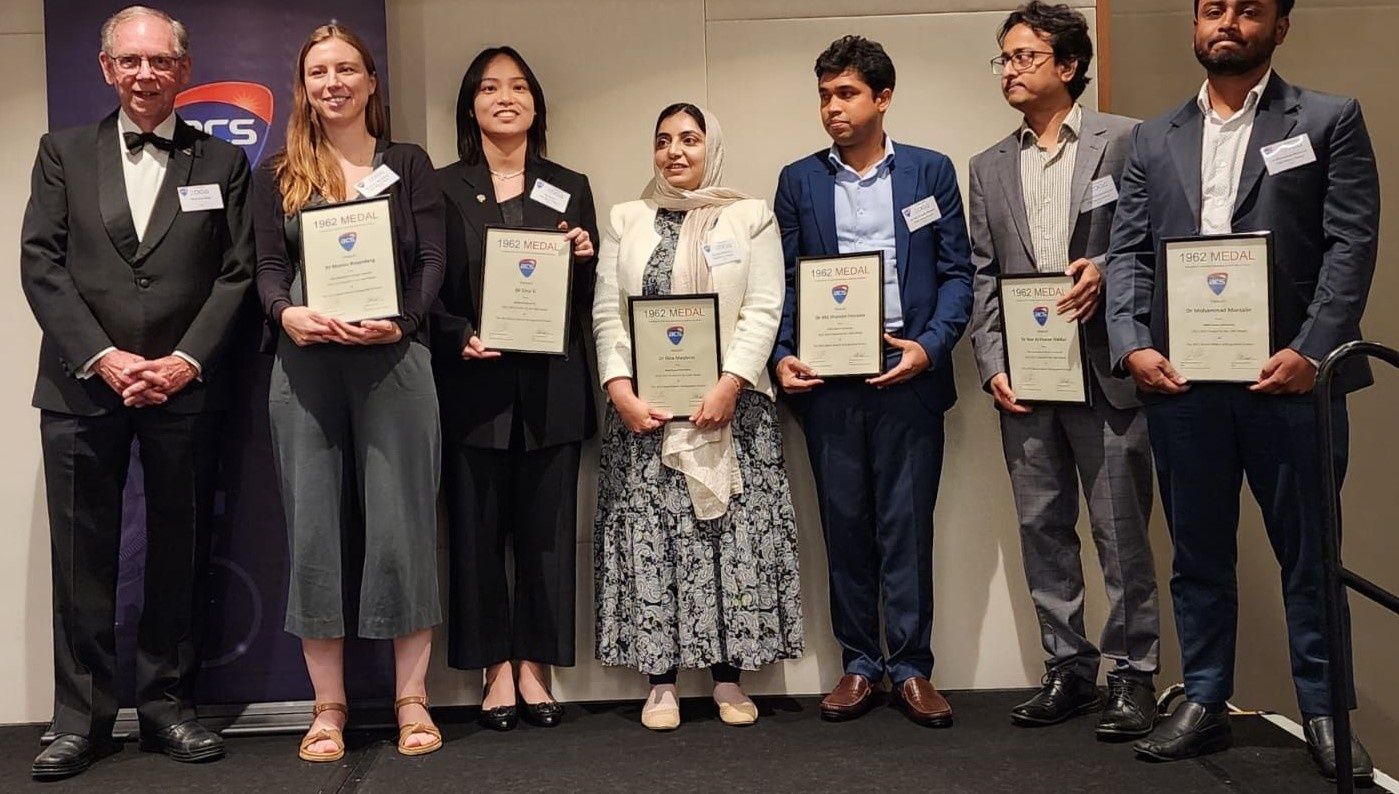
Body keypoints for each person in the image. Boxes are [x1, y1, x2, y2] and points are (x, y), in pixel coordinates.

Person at [1105, 0, 1379, 781]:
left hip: (1292, 384)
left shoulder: (1328, 119)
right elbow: (1126, 253)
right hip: (1181, 383)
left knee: (1310, 558)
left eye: (1247, 9)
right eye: (1211, 10)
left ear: (1279, 27)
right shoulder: (1150, 139)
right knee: (1195, 553)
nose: (1227, 22)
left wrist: (1311, 350)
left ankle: (1325, 712)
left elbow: (1350, 244)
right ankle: (1202, 698)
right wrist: (1134, 344)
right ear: (1194, 26)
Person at [20, 5, 253, 780]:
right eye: (131, 61)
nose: (145, 74)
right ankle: (78, 720)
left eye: (160, 61)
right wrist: (104, 357)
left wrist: (186, 359)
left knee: (178, 555)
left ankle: (168, 708)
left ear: (183, 71)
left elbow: (238, 274)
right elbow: (41, 264)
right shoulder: (61, 153)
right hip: (83, 388)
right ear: (106, 68)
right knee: (82, 557)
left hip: (186, 390)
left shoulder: (223, 162)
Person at [251, 23, 446, 761]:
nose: (333, 82)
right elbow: (267, 269)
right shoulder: (279, 173)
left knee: (401, 528)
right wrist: (286, 313)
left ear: (370, 83)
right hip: (305, 366)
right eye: (318, 72)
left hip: (394, 361)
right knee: (313, 533)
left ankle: (410, 701)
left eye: (346, 69)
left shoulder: (408, 164)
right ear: (303, 88)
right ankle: (326, 707)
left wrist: (403, 320)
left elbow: (431, 259)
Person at [967, 2, 1160, 738]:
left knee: (1120, 535)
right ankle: (1066, 670)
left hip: (1107, 373)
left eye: (1024, 57)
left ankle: (1133, 677)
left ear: (1069, 65)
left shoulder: (1127, 139)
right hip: (1027, 381)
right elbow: (984, 275)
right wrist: (991, 367)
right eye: (1004, 59)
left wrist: (1107, 269)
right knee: (1041, 527)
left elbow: (1151, 240)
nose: (1010, 71)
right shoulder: (987, 166)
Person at [771, 36, 972, 727]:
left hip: (908, 376)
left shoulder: (929, 173)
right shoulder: (798, 181)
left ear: (882, 98)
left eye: (847, 93)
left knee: (906, 527)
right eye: (825, 93)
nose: (833, 107)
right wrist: (780, 354)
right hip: (828, 383)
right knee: (846, 527)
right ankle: (859, 664)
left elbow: (956, 275)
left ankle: (912, 668)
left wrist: (930, 347)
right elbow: (784, 283)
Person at [592, 103, 803, 731]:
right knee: (654, 540)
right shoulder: (627, 218)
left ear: (713, 146)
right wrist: (620, 388)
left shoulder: (750, 215)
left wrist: (730, 383)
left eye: (689, 139)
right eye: (663, 141)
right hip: (645, 418)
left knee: (727, 541)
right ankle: (660, 684)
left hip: (731, 411)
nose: (675, 152)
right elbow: (610, 314)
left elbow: (764, 308)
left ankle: (728, 678)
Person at [431, 46, 598, 731]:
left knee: (548, 537)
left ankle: (535, 666)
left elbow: (582, 300)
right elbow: (427, 287)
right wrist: (456, 332)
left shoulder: (568, 184)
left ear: (536, 104)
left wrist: (584, 258)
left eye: (519, 87)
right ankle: (492, 668)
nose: (506, 97)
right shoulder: (441, 188)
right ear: (470, 106)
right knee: (473, 537)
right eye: (490, 88)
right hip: (472, 387)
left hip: (551, 390)